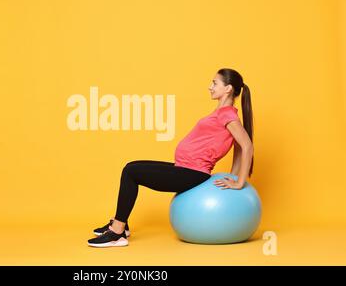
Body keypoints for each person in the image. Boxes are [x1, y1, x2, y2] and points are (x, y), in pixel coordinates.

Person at [87, 68, 254, 247]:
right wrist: (234, 175)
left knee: (131, 172)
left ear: (228, 89)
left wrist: (239, 181)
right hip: (183, 168)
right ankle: (120, 223)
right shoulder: (222, 113)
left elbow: (246, 146)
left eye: (214, 83)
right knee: (131, 166)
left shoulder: (227, 114)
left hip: (192, 173)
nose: (209, 87)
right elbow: (238, 148)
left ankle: (117, 233)